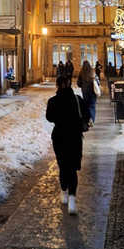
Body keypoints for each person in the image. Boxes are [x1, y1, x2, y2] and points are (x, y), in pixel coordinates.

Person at [46, 74, 84, 215]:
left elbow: (49, 117)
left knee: (63, 166)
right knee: (72, 168)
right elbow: (86, 116)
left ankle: (64, 192)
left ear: (57, 85)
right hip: (74, 138)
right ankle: (72, 199)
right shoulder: (77, 100)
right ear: (70, 84)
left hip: (59, 137)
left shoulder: (53, 101)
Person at [78, 60, 97, 125]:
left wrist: (82, 86)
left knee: (86, 106)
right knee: (92, 106)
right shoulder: (92, 71)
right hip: (93, 91)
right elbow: (97, 81)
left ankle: (87, 119)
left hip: (85, 92)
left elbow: (78, 83)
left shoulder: (81, 72)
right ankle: (92, 119)